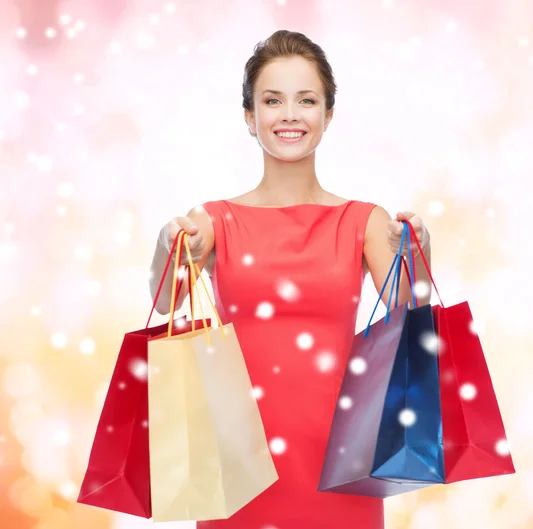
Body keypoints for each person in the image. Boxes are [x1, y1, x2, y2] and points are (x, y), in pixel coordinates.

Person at [149, 29, 432, 529]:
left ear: (328, 114)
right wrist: (167, 244)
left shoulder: (364, 221)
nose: (289, 115)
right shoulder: (214, 220)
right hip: (241, 468)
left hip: (341, 464)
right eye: (272, 100)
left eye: (306, 100)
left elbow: (408, 315)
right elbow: (166, 302)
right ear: (249, 116)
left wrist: (421, 253)